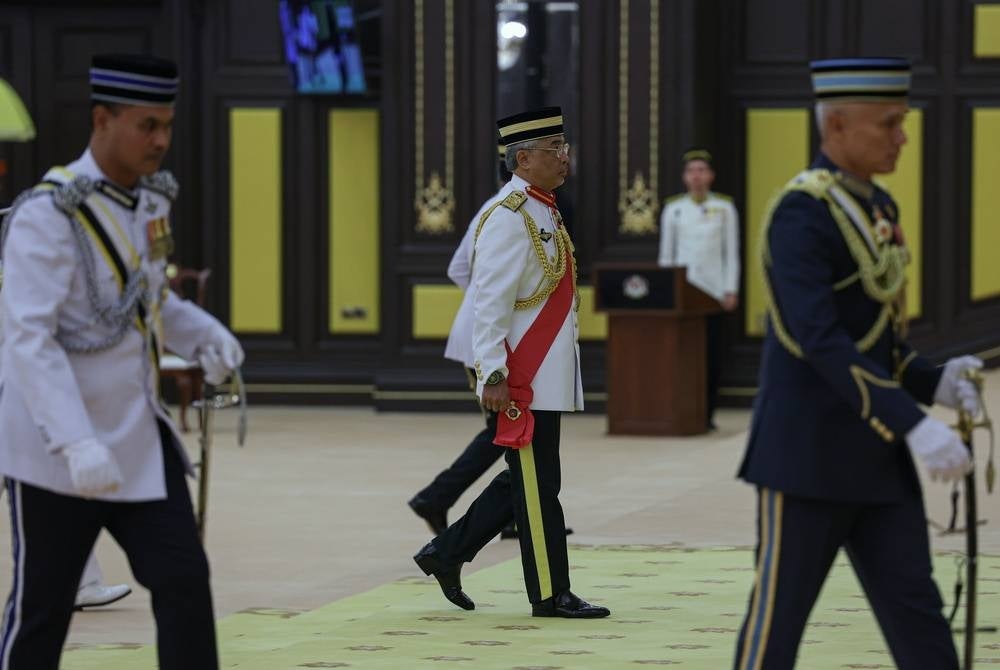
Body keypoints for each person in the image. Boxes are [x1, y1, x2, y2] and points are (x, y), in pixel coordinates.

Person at [733, 57, 979, 670]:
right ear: (836, 126)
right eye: (889, 124)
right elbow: (820, 340)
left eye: (902, 122)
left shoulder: (879, 208)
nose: (902, 136)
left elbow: (879, 342)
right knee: (778, 625)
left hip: (876, 459)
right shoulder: (800, 214)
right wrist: (915, 423)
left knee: (916, 612)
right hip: (807, 458)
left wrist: (936, 382)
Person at [0, 53, 243, 669]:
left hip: (137, 436)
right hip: (59, 451)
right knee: (43, 609)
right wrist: (77, 443)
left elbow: (148, 300)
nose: (161, 140)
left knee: (185, 582)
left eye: (167, 125)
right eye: (146, 126)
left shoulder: (150, 204)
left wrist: (204, 330)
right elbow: (29, 340)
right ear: (102, 119)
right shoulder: (46, 215)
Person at [412, 106, 608, 619]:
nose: (564, 158)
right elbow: (489, 300)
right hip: (521, 375)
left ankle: (446, 552)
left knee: (532, 478)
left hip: (543, 370)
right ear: (523, 158)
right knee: (539, 486)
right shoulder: (509, 215)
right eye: (553, 150)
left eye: (564, 147)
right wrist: (494, 373)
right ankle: (550, 592)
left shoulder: (544, 208)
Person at [658, 149, 740, 429]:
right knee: (682, 356)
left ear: (711, 176)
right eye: (692, 170)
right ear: (684, 177)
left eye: (702, 170)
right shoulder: (674, 209)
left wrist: (730, 289)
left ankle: (707, 413)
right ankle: (682, 411)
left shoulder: (725, 208)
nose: (697, 175)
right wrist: (666, 292)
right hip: (683, 296)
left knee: (712, 357)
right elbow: (666, 256)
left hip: (714, 294)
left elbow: (732, 253)